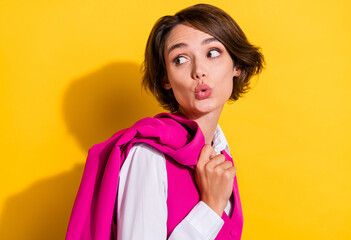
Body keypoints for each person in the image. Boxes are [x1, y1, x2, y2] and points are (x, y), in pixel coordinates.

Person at [66, 3, 264, 240]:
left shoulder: (220, 155)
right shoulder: (148, 154)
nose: (199, 70)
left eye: (212, 53)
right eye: (180, 59)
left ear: (237, 65)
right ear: (166, 79)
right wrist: (210, 208)